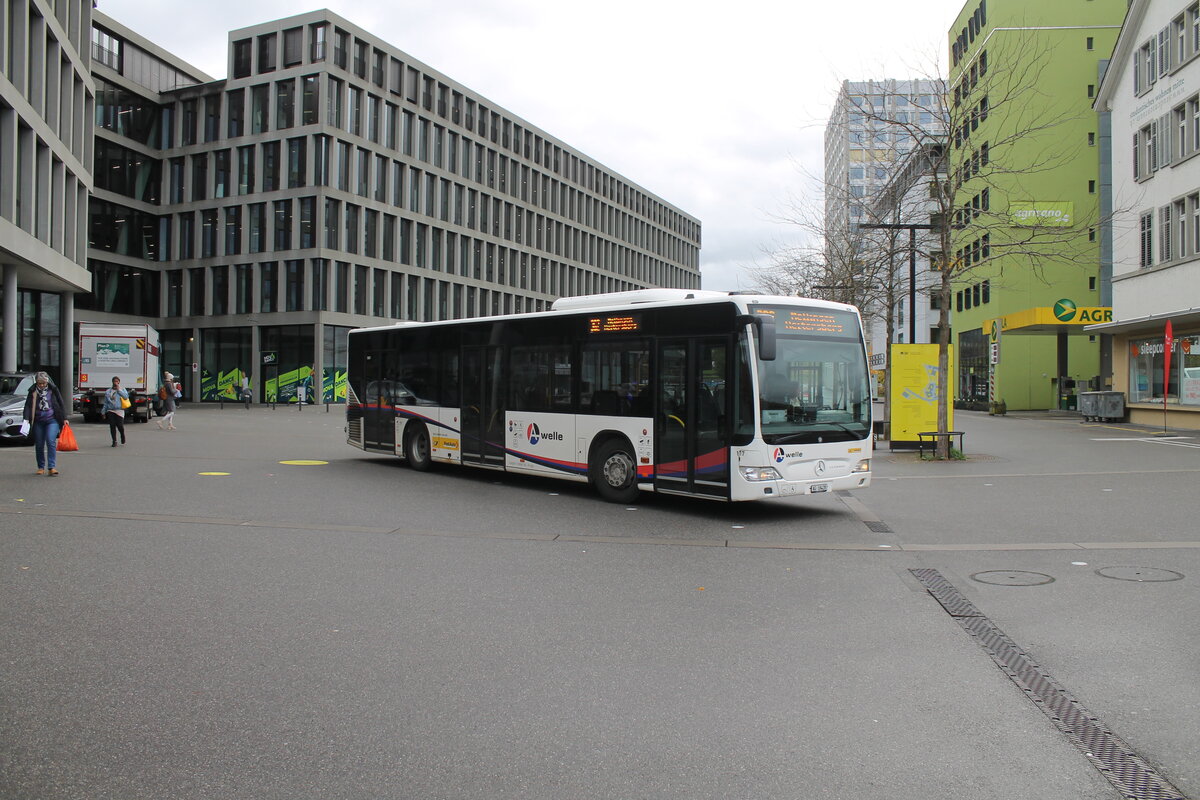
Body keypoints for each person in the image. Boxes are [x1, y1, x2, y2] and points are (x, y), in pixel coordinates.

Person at [22, 371, 67, 476]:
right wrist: (26, 418)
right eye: (39, 383)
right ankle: (41, 467)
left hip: (52, 419)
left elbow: (61, 403)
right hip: (38, 421)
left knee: (50, 440)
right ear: (36, 382)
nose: (41, 385)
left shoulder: (53, 389)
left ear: (46, 382)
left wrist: (64, 418)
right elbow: (28, 405)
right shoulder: (32, 391)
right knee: (39, 444)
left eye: (43, 383)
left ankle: (51, 467)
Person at [102, 375, 129, 447]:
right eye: (114, 381)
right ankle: (114, 441)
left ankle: (122, 435)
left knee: (120, 425)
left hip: (119, 410)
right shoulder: (108, 391)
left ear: (119, 382)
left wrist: (119, 390)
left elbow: (126, 397)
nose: (116, 383)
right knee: (112, 425)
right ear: (112, 382)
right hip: (111, 410)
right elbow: (106, 402)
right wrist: (103, 412)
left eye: (117, 381)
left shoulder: (122, 389)